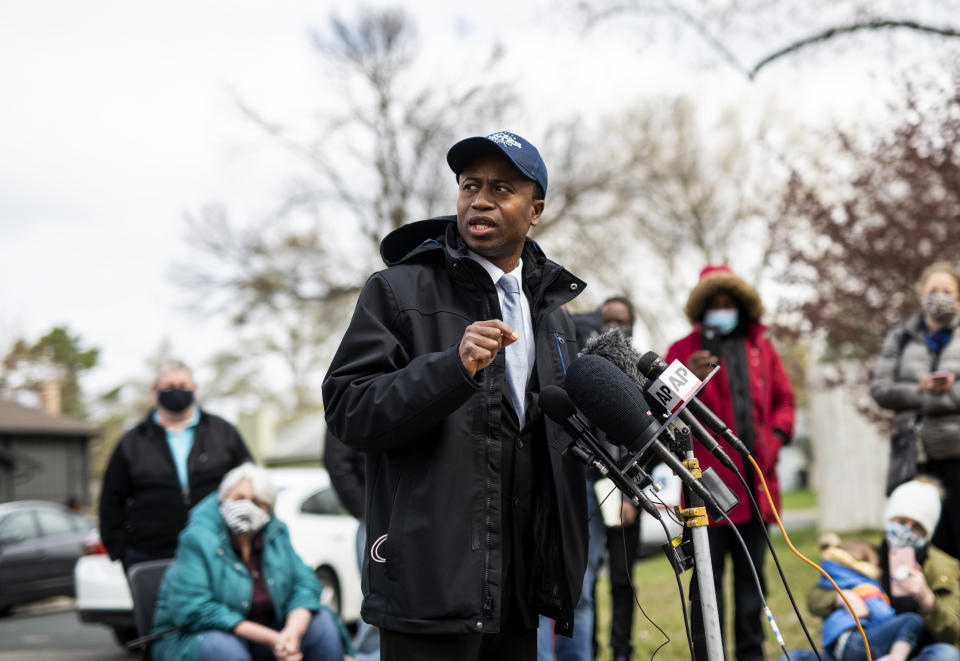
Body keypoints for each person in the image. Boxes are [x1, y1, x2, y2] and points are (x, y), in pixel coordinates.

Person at [322, 130, 588, 661]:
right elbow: (348, 409)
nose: (481, 199)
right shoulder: (397, 290)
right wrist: (452, 368)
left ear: (535, 209)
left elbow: (556, 434)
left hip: (517, 588)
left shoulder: (553, 315)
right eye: (470, 186)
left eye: (501, 189)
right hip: (430, 586)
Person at [666, 264, 795, 661]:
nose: (722, 309)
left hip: (756, 487)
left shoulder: (762, 349)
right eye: (714, 303)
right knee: (707, 583)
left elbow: (784, 403)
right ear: (703, 307)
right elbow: (661, 411)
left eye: (729, 302)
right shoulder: (683, 350)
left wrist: (773, 440)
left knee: (752, 582)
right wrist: (690, 375)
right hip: (704, 489)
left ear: (740, 304)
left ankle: (751, 653)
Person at [150, 463, 349, 661]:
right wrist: (273, 638)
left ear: (268, 510)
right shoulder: (197, 538)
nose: (246, 506)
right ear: (223, 499)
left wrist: (291, 634)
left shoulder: (276, 533)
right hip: (199, 639)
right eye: (239, 498)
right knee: (224, 649)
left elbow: (305, 583)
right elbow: (194, 609)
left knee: (322, 622)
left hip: (267, 638)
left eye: (256, 502)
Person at [99, 361, 251, 573]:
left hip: (218, 550)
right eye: (169, 386)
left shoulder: (223, 433)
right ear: (156, 391)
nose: (177, 390)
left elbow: (249, 482)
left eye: (184, 385)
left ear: (194, 389)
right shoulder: (133, 442)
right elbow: (110, 500)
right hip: (151, 556)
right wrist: (121, 551)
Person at [801, 479, 960, 661]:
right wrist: (842, 598)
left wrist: (926, 598)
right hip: (869, 647)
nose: (905, 531)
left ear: (927, 534)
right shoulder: (867, 556)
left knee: (946, 656)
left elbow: (952, 634)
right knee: (793, 658)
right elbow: (814, 599)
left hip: (915, 652)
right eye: (901, 521)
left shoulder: (942, 567)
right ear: (889, 518)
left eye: (917, 527)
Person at [871, 262, 960, 559]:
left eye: (947, 291)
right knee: (912, 543)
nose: (940, 297)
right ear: (921, 296)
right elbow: (881, 390)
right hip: (912, 454)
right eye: (933, 291)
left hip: (955, 455)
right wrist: (921, 391)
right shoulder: (900, 338)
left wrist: (936, 395)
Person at [323, 429, 380, 661]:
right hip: (376, 518)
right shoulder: (355, 395)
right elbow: (337, 462)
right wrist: (364, 509)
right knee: (379, 596)